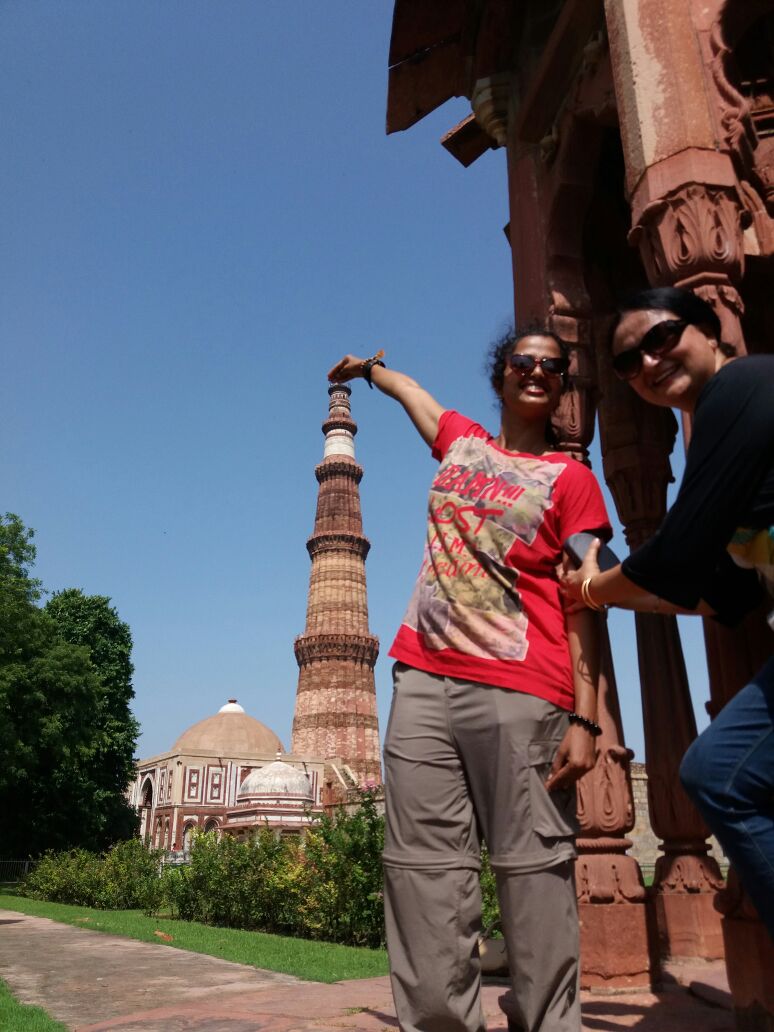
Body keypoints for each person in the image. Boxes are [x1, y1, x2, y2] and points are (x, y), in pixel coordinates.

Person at [329, 328, 612, 1032]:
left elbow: (584, 597)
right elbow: (415, 396)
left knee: (532, 873)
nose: (538, 371)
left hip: (525, 690)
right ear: (502, 374)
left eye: (553, 366)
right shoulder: (463, 444)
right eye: (525, 361)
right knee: (421, 873)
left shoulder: (570, 480)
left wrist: (587, 717)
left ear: (561, 384)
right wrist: (370, 371)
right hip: (424, 682)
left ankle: (549, 1024)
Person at [559, 286, 774, 941]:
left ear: (709, 330)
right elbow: (720, 595)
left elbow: (676, 555)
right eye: (628, 362)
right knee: (718, 773)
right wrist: (603, 591)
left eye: (661, 338)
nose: (649, 363)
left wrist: (593, 589)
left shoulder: (743, 387)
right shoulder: (724, 424)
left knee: (721, 775)